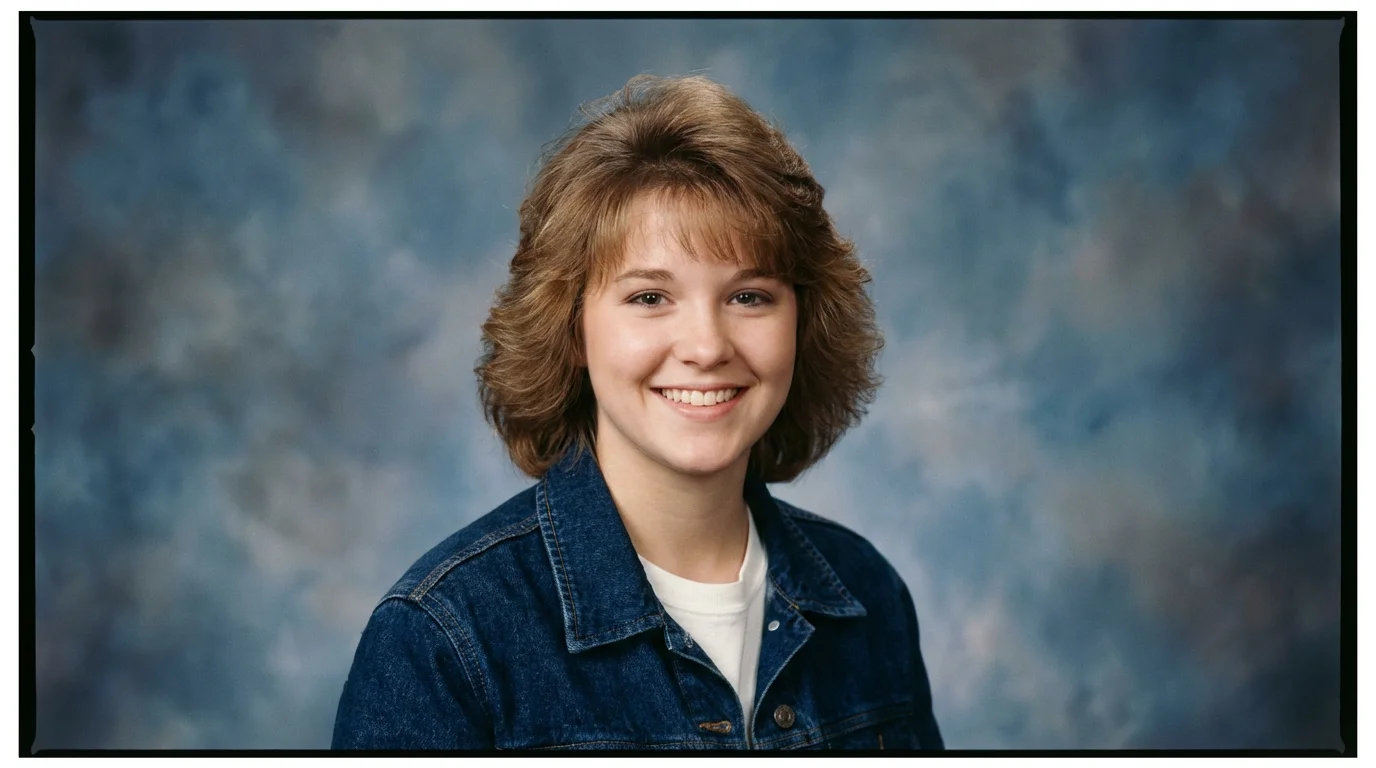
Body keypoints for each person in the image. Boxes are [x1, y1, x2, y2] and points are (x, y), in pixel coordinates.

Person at [332, 74, 943, 751]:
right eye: (650, 298)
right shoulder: (444, 637)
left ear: (804, 321)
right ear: (572, 330)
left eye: (749, 297)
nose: (707, 347)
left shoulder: (866, 595)